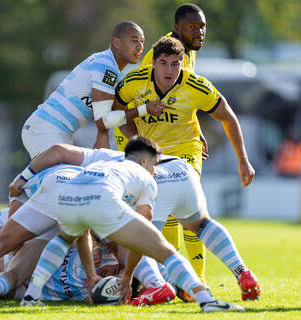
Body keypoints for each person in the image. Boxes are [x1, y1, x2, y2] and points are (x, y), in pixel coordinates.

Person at [0, 137, 244, 312]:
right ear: (145, 161)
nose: (156, 171)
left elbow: (79, 231)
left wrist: (92, 274)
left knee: (48, 240)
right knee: (165, 249)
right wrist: (129, 274)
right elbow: (144, 230)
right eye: (155, 165)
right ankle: (206, 300)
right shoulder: (147, 177)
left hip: (69, 190)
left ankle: (31, 295)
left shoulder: (106, 159)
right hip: (100, 196)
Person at [114, 36, 255, 285]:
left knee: (186, 210)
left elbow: (228, 116)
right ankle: (179, 282)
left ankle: (191, 280)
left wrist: (243, 160)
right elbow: (116, 113)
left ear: (182, 63)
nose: (170, 70)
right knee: (179, 216)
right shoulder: (134, 82)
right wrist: (136, 138)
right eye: (163, 63)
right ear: (153, 63)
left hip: (185, 151)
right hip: (152, 155)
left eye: (176, 63)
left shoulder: (196, 85)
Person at [113, 3, 209, 283]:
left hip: (168, 141)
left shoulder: (185, 53)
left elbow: (181, 97)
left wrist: (196, 128)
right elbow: (130, 103)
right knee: (158, 208)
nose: (199, 32)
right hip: (138, 139)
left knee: (183, 204)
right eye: (192, 27)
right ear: (177, 28)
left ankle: (186, 280)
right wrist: (140, 144)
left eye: (202, 27)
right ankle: (159, 278)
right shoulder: (159, 59)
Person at [21, 21, 164, 158]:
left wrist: (142, 144)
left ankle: (22, 181)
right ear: (116, 42)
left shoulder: (110, 67)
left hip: (54, 131)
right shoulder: (106, 67)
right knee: (65, 180)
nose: (140, 46)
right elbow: (103, 120)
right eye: (134, 40)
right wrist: (145, 109)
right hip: (45, 130)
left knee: (70, 180)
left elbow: (117, 115)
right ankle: (20, 182)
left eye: (142, 41)